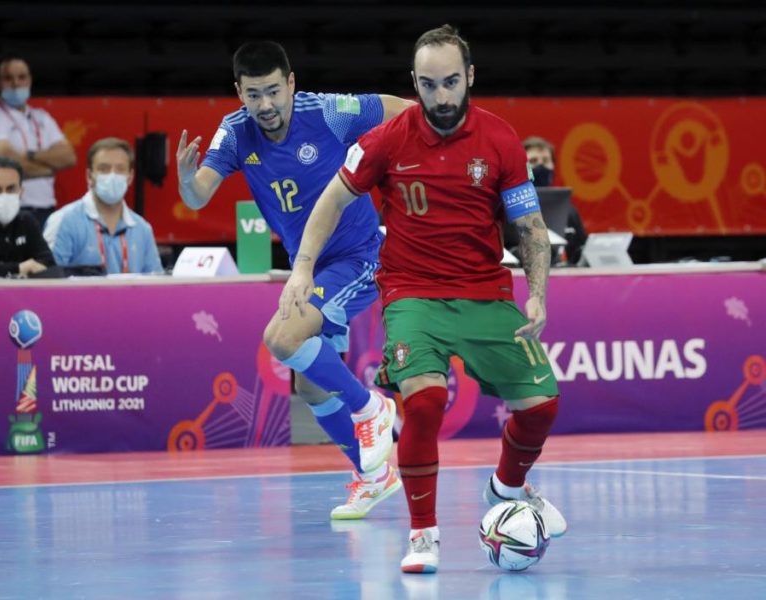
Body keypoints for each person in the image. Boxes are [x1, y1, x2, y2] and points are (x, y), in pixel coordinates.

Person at [279, 25, 567, 574]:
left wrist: (537, 296)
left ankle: (506, 485)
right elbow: (332, 199)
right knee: (426, 402)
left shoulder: (501, 139)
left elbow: (529, 225)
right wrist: (303, 268)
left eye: (451, 82)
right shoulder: (388, 138)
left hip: (484, 292)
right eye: (429, 84)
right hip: (412, 293)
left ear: (470, 78)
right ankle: (423, 536)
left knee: (543, 405)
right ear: (414, 82)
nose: (441, 96)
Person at [176, 41, 416, 519]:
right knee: (309, 388)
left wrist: (431, 140)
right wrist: (185, 179)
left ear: (291, 83)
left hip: (360, 255)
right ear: (238, 93)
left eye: (272, 91)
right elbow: (199, 194)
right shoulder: (236, 131)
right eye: (253, 95)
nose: (265, 105)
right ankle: (373, 477)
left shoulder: (328, 111)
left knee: (282, 338)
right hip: (308, 267)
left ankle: (371, 408)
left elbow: (401, 109)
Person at [44, 137, 162, 274]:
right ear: (89, 176)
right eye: (104, 169)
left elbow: (155, 282)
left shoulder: (142, 229)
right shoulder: (63, 221)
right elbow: (48, 280)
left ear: (130, 177)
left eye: (120, 169)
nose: (112, 175)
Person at [0, 57, 77, 228]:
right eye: (8, 78)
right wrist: (48, 169)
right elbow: (6, 163)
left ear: (30, 80)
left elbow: (68, 157)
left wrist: (29, 155)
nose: (15, 83)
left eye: (21, 77)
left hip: (46, 209)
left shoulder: (42, 117)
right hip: (10, 209)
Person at [523, 135, 588, 264]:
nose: (541, 165)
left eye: (546, 160)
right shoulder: (507, 209)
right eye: (534, 161)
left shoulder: (569, 212)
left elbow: (581, 252)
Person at [0, 156, 55, 277]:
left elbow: (49, 263)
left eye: (11, 189)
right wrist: (18, 268)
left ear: (21, 191)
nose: (4, 195)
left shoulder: (26, 221)